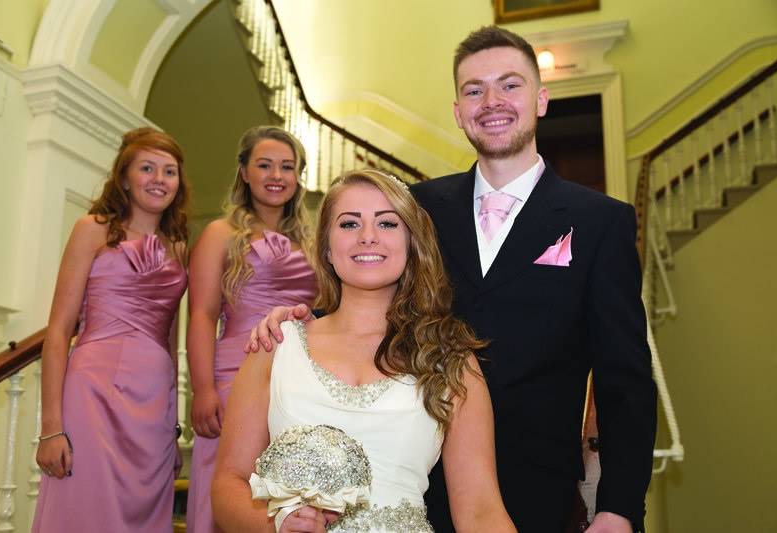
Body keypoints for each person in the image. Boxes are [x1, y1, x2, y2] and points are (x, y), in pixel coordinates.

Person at [249, 27, 657, 533]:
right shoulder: (414, 207)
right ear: (458, 110)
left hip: (537, 489)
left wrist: (617, 508)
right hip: (412, 481)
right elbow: (363, 288)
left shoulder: (600, 221)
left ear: (541, 99)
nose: (492, 102)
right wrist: (297, 320)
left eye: (510, 85)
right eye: (473, 90)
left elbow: (625, 381)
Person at [212, 170, 516, 533]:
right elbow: (227, 484)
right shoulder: (276, 345)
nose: (368, 237)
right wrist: (276, 525)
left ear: (411, 243)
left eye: (387, 224)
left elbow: (481, 511)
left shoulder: (449, 358)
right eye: (349, 223)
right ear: (326, 245)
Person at [32, 127, 190, 532]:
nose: (159, 179)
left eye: (169, 171)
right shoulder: (93, 228)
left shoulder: (178, 247)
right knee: (87, 507)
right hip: (95, 392)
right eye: (147, 168)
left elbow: (170, 344)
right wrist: (51, 428)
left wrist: (173, 427)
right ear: (124, 177)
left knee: (144, 514)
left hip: (154, 401)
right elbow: (57, 332)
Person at [185, 126, 317, 533]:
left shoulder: (313, 242)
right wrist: (202, 388)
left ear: (298, 177)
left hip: (298, 375)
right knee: (227, 480)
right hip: (234, 372)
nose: (276, 175)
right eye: (264, 165)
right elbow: (203, 315)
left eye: (287, 167)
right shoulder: (220, 234)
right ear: (244, 172)